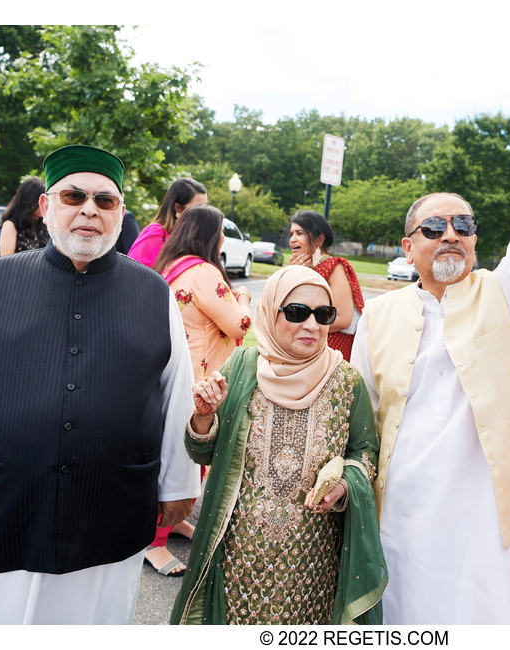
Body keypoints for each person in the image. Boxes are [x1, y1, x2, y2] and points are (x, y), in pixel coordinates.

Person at [349, 25, 510, 624]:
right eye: (434, 227)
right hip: (399, 513)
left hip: (487, 519)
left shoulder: (505, 293)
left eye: (463, 225)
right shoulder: (380, 314)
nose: (451, 235)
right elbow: (354, 413)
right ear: (408, 247)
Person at [0, 144, 200, 624]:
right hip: (3, 506)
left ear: (120, 213)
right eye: (73, 196)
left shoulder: (153, 292)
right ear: (46, 207)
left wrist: (177, 484)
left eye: (104, 201)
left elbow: (175, 393)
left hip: (109, 509)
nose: (89, 210)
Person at [170, 266, 386, 625]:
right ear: (271, 312)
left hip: (314, 569)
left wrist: (346, 484)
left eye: (324, 314)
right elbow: (203, 453)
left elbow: (365, 452)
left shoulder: (347, 381)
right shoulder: (243, 367)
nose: (313, 325)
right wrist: (204, 417)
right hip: (239, 562)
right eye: (298, 312)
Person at [142, 205, 253, 576]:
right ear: (210, 234)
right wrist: (245, 300)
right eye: (221, 231)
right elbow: (238, 324)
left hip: (169, 369)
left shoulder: (171, 266)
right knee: (189, 454)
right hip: (198, 377)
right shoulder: (203, 271)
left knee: (173, 452)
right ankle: (154, 543)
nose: (223, 238)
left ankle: (171, 522)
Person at [287, 211, 364, 361]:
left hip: (331, 350)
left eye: (299, 233)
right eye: (291, 234)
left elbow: (343, 319)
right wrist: (291, 274)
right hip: (300, 348)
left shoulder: (334, 267)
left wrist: (303, 326)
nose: (292, 239)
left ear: (319, 239)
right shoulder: (295, 267)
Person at [128, 178, 208, 267]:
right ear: (178, 208)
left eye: (206, 206)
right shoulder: (156, 233)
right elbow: (135, 271)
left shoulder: (194, 237)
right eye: (198, 207)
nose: (205, 212)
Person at [0, 176, 50, 255]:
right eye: (40, 201)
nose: (45, 205)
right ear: (29, 201)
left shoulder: (45, 223)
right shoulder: (10, 225)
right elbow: (6, 263)